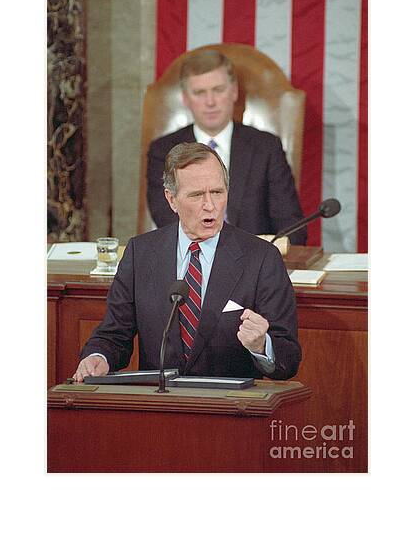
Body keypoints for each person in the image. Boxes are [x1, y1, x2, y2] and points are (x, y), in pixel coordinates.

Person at [73, 142, 301, 382]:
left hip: (231, 407)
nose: (210, 206)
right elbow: (114, 334)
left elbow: (289, 359)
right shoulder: (140, 254)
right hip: (161, 405)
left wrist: (262, 345)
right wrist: (98, 357)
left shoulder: (262, 258)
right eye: (196, 195)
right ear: (171, 199)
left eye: (217, 192)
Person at [146, 49, 307, 245]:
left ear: (234, 92)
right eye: (199, 93)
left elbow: (292, 226)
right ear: (186, 99)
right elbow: (167, 220)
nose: (210, 102)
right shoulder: (163, 151)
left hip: (252, 264)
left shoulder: (266, 147)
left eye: (218, 90)